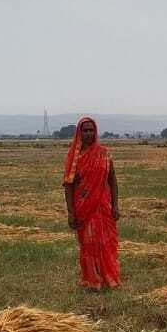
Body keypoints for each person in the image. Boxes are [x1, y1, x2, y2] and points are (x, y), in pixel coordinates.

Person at [62, 116, 120, 290]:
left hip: (103, 205)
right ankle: (91, 280)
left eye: (91, 130)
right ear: (79, 133)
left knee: (105, 242)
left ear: (95, 132)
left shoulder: (104, 153)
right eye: (85, 130)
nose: (88, 133)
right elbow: (68, 186)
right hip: (83, 207)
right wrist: (71, 212)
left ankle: (107, 278)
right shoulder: (74, 157)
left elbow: (113, 180)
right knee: (88, 243)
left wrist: (115, 205)